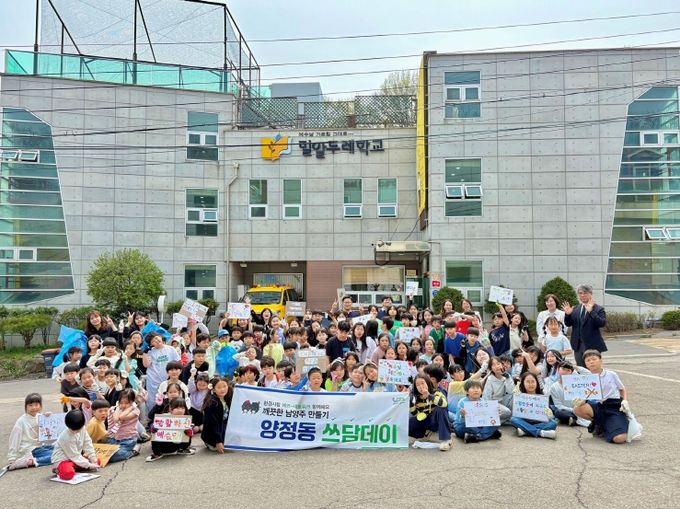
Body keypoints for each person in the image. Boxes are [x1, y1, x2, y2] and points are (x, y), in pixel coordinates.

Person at [572, 350, 631, 444]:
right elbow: (585, 397)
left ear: (600, 360)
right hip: (598, 405)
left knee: (619, 438)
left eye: (594, 359)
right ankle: (599, 424)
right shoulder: (585, 378)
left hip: (613, 407)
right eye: (588, 360)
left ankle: (610, 424)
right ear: (585, 364)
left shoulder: (611, 374)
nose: (591, 362)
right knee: (577, 409)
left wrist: (625, 401)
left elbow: (622, 389)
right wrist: (580, 401)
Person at [5, 393, 55, 471]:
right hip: (29, 449)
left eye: (36, 405)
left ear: (40, 406)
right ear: (26, 407)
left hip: (39, 447)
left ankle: (34, 458)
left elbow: (49, 432)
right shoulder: (21, 421)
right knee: (58, 455)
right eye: (30, 405)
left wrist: (48, 418)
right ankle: (31, 462)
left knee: (60, 449)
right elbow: (14, 439)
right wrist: (12, 458)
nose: (33, 408)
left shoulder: (40, 417)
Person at [563, 284, 607, 366]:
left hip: (593, 345)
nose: (582, 295)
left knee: (593, 368)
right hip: (578, 345)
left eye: (585, 293)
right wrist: (568, 315)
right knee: (581, 368)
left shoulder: (598, 308)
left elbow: (602, 323)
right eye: (580, 293)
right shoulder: (575, 308)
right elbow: (568, 324)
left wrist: (591, 312)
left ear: (591, 294)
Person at [51, 410, 100, 480]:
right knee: (68, 474)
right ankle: (58, 469)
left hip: (74, 459)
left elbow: (87, 442)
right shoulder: (65, 437)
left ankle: (73, 467)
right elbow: (74, 455)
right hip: (63, 460)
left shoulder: (82, 428)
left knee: (97, 461)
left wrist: (92, 457)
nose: (76, 431)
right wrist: (88, 465)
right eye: (73, 430)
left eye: (78, 429)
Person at [408, 374, 452, 451]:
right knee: (407, 424)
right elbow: (414, 412)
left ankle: (446, 439)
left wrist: (429, 396)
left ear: (428, 382)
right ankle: (424, 435)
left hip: (434, 420)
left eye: (422, 383)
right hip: (424, 420)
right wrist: (410, 402)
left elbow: (444, 404)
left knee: (440, 408)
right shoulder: (415, 397)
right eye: (417, 385)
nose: (421, 386)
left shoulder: (437, 392)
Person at [510, 372, 558, 439]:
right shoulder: (519, 395)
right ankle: (540, 432)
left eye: (533, 381)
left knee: (553, 423)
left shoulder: (542, 396)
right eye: (528, 382)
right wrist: (515, 398)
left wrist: (549, 414)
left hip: (539, 421)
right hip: (524, 420)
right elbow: (514, 412)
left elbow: (550, 416)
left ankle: (525, 431)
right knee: (514, 419)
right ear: (523, 383)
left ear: (536, 383)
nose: (530, 384)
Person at [453, 379, 502, 443]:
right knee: (464, 427)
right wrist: (462, 416)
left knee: (496, 424)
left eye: (478, 388)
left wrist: (495, 414)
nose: (476, 390)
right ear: (467, 391)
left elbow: (487, 418)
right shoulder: (462, 402)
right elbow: (460, 421)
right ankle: (487, 434)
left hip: (479, 426)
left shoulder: (483, 402)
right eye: (473, 388)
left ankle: (476, 436)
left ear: (481, 391)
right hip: (464, 426)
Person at [143, 332, 180, 414]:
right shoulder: (150, 352)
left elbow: (178, 363)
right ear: (151, 344)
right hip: (154, 381)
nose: (156, 340)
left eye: (157, 338)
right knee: (153, 400)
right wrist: (145, 353)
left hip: (169, 379)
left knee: (169, 399)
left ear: (160, 337)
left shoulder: (171, 349)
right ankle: (152, 417)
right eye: (153, 341)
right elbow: (146, 365)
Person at [549, 361, 591, 427]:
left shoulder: (576, 383)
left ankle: (573, 420)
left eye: (568, 370)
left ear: (571, 372)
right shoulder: (554, 387)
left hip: (580, 408)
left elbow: (589, 375)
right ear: (558, 369)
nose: (565, 372)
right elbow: (558, 405)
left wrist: (576, 367)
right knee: (558, 412)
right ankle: (574, 419)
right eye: (563, 369)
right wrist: (573, 410)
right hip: (567, 410)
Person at [104, 389, 141, 463]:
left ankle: (132, 452)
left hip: (128, 440)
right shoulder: (115, 409)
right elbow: (115, 418)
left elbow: (121, 417)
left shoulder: (135, 411)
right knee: (104, 453)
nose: (123, 405)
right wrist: (118, 407)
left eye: (127, 403)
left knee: (112, 456)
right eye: (121, 402)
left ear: (132, 402)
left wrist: (131, 407)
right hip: (114, 439)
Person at [201, 377, 231, 453]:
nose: (223, 389)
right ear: (213, 389)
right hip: (212, 432)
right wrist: (218, 441)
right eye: (219, 387)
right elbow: (212, 423)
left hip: (223, 428)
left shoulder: (227, 398)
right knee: (216, 447)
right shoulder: (212, 403)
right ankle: (211, 442)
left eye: (224, 386)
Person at [482, 357, 514, 423]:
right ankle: (496, 420)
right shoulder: (490, 379)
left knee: (514, 398)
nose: (496, 366)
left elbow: (511, 391)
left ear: (502, 365)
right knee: (507, 412)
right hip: (494, 404)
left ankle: (499, 420)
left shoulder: (507, 376)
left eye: (498, 364)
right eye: (493, 365)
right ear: (491, 368)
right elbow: (486, 398)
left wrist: (507, 378)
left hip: (504, 402)